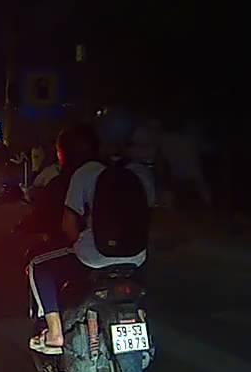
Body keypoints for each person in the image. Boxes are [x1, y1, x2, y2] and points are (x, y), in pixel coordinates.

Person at [26, 110, 156, 354]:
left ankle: (54, 333)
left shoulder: (87, 172)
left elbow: (69, 225)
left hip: (93, 257)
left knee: (38, 265)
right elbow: (149, 217)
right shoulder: (140, 173)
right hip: (136, 257)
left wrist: (80, 244)